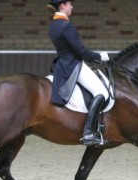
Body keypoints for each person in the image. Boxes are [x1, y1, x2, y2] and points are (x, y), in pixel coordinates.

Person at [47, 0, 110, 146]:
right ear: (62, 5)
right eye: (70, 4)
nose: (72, 7)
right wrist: (99, 57)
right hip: (73, 65)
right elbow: (81, 51)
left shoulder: (53, 26)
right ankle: (88, 132)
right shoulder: (66, 25)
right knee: (102, 93)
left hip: (62, 64)